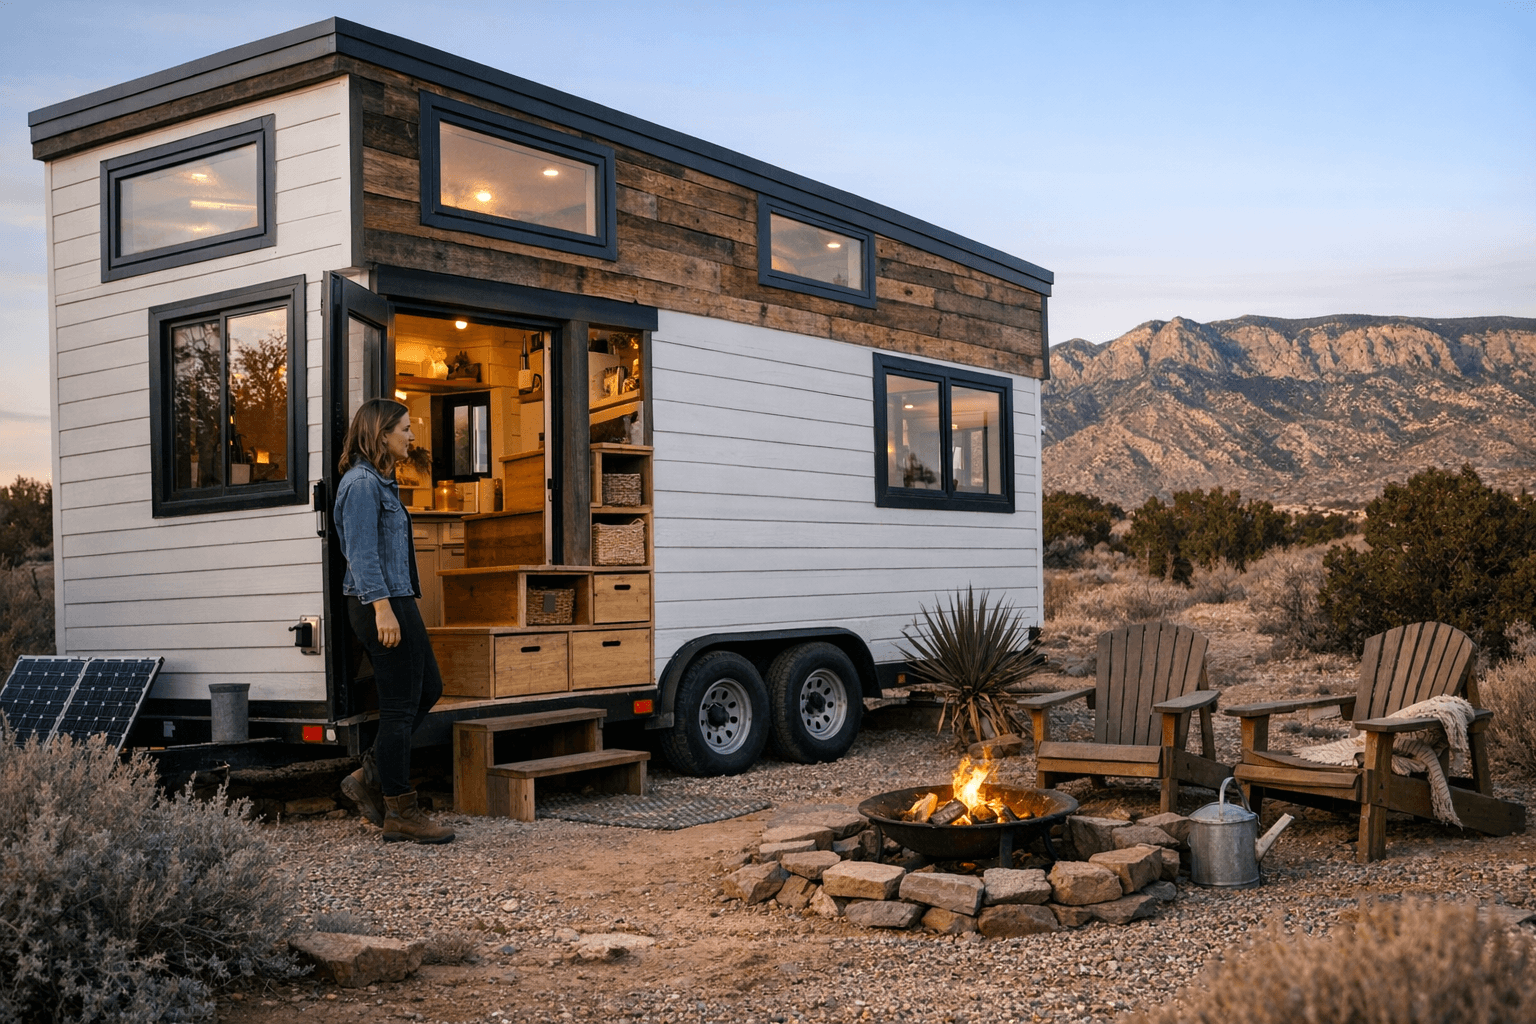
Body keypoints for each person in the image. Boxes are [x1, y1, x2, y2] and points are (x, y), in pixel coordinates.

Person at [335, 398, 454, 844]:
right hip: (377, 602)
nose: (412, 435)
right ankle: (401, 810)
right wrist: (382, 607)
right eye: (404, 428)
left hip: (397, 598)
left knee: (429, 689)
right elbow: (361, 554)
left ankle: (369, 775)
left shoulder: (381, 483)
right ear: (381, 434)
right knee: (401, 706)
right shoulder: (362, 485)